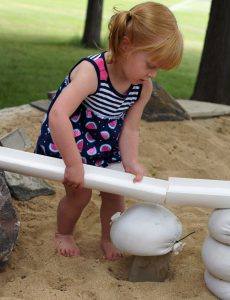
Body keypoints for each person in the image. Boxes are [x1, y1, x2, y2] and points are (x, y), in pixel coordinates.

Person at [35, 1, 183, 260]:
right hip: (72, 138)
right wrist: (73, 164)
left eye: (158, 69)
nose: (153, 74)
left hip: (105, 143)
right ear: (126, 46)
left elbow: (131, 128)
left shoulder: (142, 87)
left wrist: (131, 162)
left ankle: (108, 238)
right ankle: (64, 233)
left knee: (116, 194)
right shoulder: (92, 73)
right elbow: (58, 115)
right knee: (80, 195)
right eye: (150, 65)